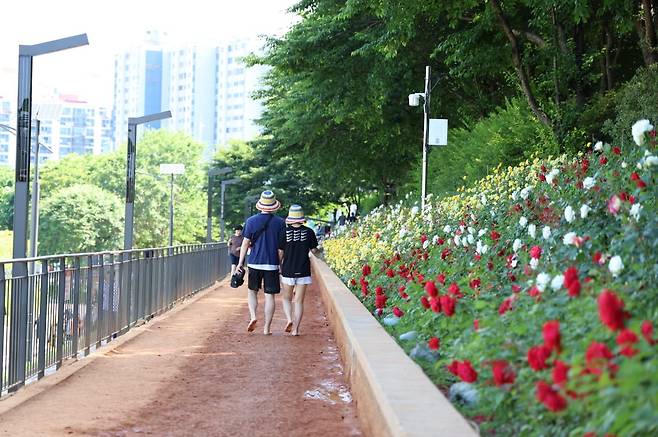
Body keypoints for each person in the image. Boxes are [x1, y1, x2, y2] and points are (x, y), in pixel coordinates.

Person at [236, 190, 285, 335]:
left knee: (252, 291)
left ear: (260, 205)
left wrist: (240, 262)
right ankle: (267, 328)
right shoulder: (280, 223)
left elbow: (245, 243)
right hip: (272, 264)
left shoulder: (250, 221)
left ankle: (253, 316)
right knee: (270, 296)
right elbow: (281, 249)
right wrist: (280, 264)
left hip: (254, 263)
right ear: (274, 206)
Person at [278, 205, 319, 336]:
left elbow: (280, 253)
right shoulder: (309, 232)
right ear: (301, 217)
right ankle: (295, 329)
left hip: (288, 269)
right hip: (303, 269)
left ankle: (289, 319)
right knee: (299, 301)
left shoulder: (283, 232)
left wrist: (279, 266)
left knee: (286, 299)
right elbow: (314, 251)